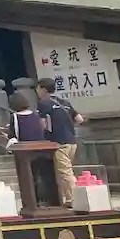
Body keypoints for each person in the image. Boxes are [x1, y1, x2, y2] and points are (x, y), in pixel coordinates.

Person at [37, 77, 85, 205]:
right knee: (65, 171)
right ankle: (67, 197)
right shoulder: (65, 102)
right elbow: (80, 119)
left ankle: (74, 200)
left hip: (58, 143)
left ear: (43, 89)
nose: (37, 91)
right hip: (72, 141)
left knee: (65, 173)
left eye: (38, 88)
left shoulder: (43, 103)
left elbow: (42, 124)